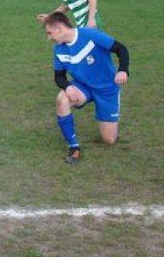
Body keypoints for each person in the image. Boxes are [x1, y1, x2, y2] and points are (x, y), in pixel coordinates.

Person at [43, 11, 129, 164]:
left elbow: (121, 49)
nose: (48, 38)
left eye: (49, 33)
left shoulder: (91, 35)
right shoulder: (59, 50)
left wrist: (123, 69)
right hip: (83, 87)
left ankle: (108, 123)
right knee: (62, 99)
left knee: (109, 140)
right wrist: (68, 87)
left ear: (59, 29)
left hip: (107, 89)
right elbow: (59, 77)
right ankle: (74, 147)